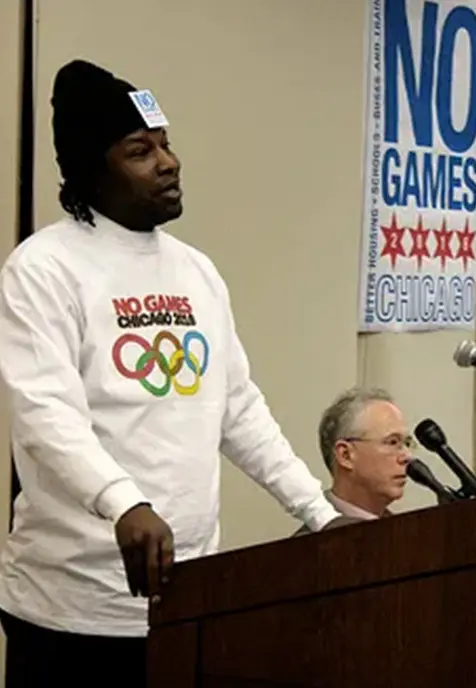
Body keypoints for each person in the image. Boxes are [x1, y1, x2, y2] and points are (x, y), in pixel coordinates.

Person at [0, 59, 343, 686]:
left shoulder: (196, 272)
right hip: (72, 613)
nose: (168, 161)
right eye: (139, 149)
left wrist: (317, 509)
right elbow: (46, 415)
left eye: (165, 143)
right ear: (90, 169)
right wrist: (124, 502)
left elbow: (236, 407)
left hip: (190, 601)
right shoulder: (43, 268)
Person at [294, 388, 412, 533]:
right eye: (392, 442)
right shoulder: (311, 544)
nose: (407, 456)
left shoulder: (406, 533)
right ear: (345, 455)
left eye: (407, 443)